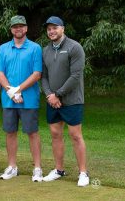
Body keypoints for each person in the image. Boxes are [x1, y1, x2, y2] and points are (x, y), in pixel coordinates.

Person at [41, 16, 89, 186]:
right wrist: (49, 95)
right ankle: (59, 170)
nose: (51, 31)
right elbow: (44, 76)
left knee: (75, 135)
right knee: (55, 134)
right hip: (52, 100)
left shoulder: (75, 47)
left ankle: (83, 172)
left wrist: (58, 95)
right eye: (49, 29)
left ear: (63, 29)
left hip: (72, 100)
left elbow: (76, 76)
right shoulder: (46, 50)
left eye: (55, 28)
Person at [0, 15, 43, 182]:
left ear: (26, 28)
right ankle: (12, 166)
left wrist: (18, 90)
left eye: (21, 26)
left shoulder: (35, 48)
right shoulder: (3, 48)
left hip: (29, 99)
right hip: (9, 99)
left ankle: (37, 168)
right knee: (10, 132)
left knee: (32, 132)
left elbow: (37, 74)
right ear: (11, 29)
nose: (18, 29)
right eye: (15, 27)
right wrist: (11, 92)